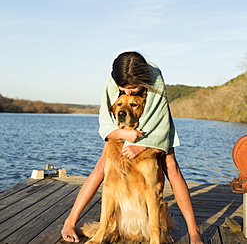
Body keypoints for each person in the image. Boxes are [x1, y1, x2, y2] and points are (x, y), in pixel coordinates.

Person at [61, 51, 203, 244]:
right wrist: (121, 134)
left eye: (133, 88)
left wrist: (143, 144)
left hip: (155, 127)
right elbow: (105, 121)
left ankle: (194, 232)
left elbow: (157, 116)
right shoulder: (113, 82)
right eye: (123, 88)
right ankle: (70, 222)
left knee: (171, 166)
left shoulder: (155, 78)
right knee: (102, 167)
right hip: (121, 132)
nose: (127, 92)